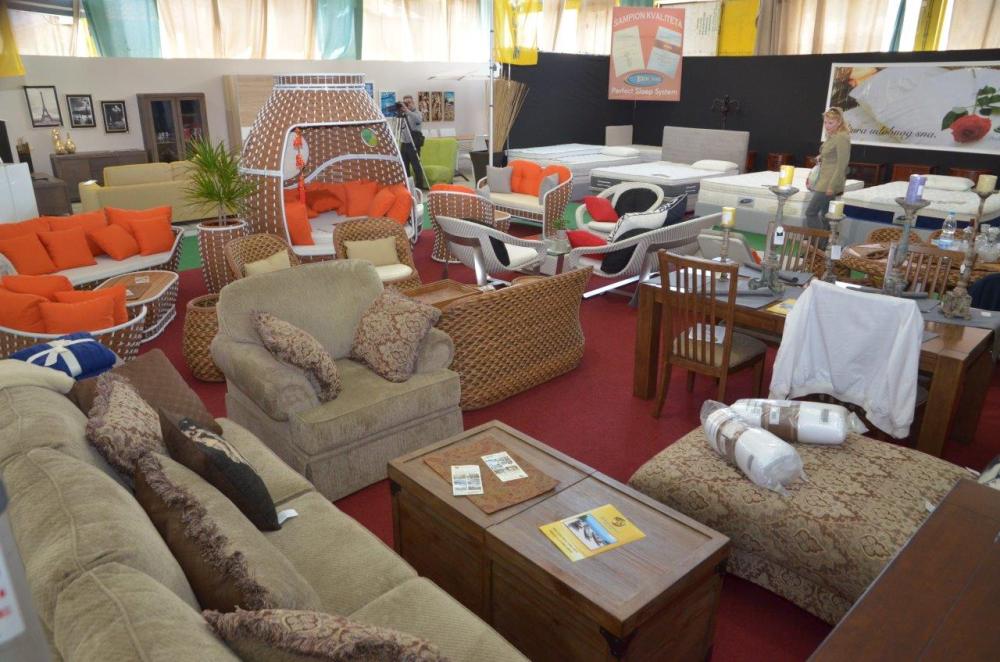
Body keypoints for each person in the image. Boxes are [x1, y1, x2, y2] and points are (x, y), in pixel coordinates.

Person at [805, 107, 851, 232]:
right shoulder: (833, 135)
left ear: (839, 122)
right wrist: (820, 157)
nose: (827, 126)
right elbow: (831, 154)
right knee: (825, 216)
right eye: (825, 122)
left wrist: (832, 186)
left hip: (828, 183)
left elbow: (842, 164)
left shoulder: (841, 137)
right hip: (824, 180)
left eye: (830, 123)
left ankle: (818, 241)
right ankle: (825, 243)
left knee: (810, 213)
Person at [398, 95, 427, 189]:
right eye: (405, 103)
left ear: (413, 103)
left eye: (409, 102)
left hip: (413, 143)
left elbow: (418, 119)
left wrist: (407, 110)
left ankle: (419, 186)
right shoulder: (404, 115)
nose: (407, 104)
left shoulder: (417, 113)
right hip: (404, 143)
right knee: (405, 166)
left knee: (416, 166)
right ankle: (408, 186)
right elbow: (400, 128)